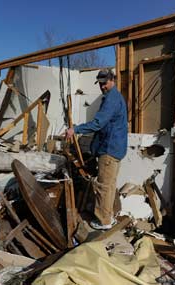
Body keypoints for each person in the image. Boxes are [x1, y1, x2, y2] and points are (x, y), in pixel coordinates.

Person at [66, 69, 128, 230]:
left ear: (112, 80)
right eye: (100, 83)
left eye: (105, 83)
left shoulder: (112, 99)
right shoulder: (113, 97)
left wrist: (76, 129)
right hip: (115, 147)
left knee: (103, 186)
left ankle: (104, 221)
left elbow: (98, 123)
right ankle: (108, 216)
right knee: (109, 184)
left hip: (109, 149)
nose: (102, 86)